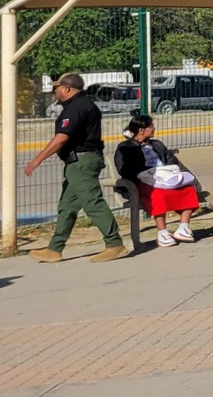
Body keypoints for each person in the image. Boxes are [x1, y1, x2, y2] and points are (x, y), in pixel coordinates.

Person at [24, 72, 125, 263]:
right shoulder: (82, 105)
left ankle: (114, 244)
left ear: (67, 88)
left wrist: (37, 159)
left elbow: (61, 138)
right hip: (77, 162)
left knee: (92, 202)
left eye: (56, 89)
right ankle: (55, 249)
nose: (55, 92)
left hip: (82, 162)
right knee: (67, 206)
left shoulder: (76, 107)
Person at [113, 113, 200, 248]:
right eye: (151, 126)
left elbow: (172, 161)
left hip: (165, 178)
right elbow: (123, 169)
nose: (154, 128)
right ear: (141, 130)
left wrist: (166, 173)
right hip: (144, 181)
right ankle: (162, 232)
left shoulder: (157, 144)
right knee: (158, 194)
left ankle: (183, 227)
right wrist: (146, 172)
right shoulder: (126, 147)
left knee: (188, 190)